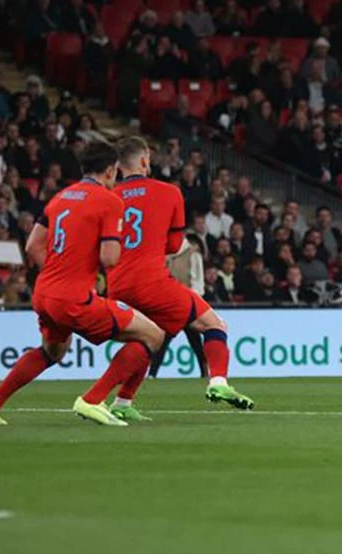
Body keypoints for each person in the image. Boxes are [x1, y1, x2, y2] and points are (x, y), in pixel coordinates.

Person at [0, 141, 166, 427]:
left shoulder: (60, 197)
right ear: (111, 170)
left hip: (45, 293)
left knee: (52, 351)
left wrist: (60, 270)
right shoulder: (110, 201)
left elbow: (33, 245)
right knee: (153, 335)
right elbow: (110, 258)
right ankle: (92, 400)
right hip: (74, 298)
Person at [105, 137, 254, 417]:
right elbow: (174, 247)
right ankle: (218, 381)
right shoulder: (169, 192)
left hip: (117, 285)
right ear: (145, 161)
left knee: (149, 339)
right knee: (215, 325)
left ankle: (122, 402)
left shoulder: (107, 195)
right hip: (152, 282)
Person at [149, 236, 208, 379]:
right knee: (171, 340)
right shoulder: (166, 254)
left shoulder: (193, 255)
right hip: (171, 303)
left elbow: (197, 281)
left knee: (189, 340)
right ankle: (205, 370)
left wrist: (194, 302)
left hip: (187, 302)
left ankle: (152, 373)